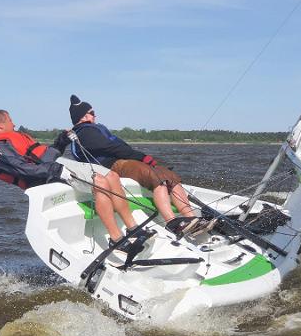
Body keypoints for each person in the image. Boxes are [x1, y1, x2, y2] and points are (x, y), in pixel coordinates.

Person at [0, 109, 142, 248]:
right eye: (10, 120)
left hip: (55, 166)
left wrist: (62, 140)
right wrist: (56, 170)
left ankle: (133, 229)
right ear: (0, 125)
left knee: (111, 176)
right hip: (46, 177)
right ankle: (117, 239)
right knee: (100, 182)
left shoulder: (13, 139)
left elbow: (45, 156)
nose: (14, 124)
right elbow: (23, 169)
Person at [61, 95, 208, 237]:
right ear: (83, 117)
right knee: (155, 177)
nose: (95, 116)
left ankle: (191, 219)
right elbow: (111, 148)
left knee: (170, 176)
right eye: (92, 113)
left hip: (124, 162)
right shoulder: (85, 132)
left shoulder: (93, 129)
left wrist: (142, 158)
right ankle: (172, 223)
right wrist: (142, 157)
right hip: (113, 165)